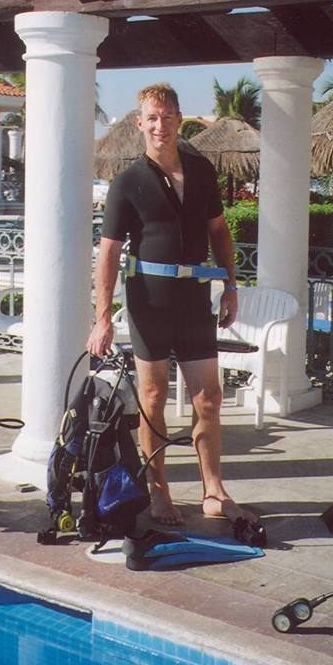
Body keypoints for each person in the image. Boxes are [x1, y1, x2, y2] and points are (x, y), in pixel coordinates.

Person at [87, 82, 260, 532]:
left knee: (210, 398)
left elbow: (219, 231)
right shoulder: (127, 182)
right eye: (152, 118)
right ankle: (158, 490)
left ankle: (214, 491)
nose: (159, 125)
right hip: (149, 300)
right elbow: (108, 252)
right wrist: (102, 318)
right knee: (153, 397)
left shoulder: (201, 171)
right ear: (139, 123)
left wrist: (231, 285)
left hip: (194, 298)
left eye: (167, 117)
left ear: (179, 120)